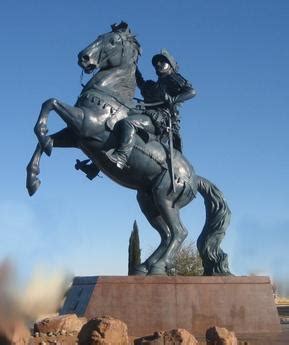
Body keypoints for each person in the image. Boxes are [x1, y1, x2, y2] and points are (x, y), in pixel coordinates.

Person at [103, 49, 196, 169]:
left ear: (171, 66)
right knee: (116, 117)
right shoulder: (152, 86)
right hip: (148, 114)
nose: (158, 64)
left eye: (162, 62)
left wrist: (172, 100)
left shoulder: (173, 78)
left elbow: (191, 91)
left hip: (161, 118)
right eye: (157, 63)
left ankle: (121, 157)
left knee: (128, 123)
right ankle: (96, 165)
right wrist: (132, 62)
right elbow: (140, 81)